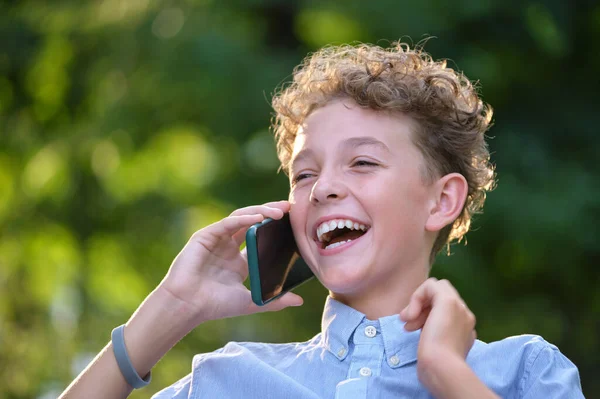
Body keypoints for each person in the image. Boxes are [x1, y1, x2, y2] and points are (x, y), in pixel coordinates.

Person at [59, 41, 584, 399]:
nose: (325, 186)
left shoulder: (525, 374)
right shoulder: (229, 379)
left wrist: (446, 372)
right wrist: (171, 310)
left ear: (442, 201)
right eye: (304, 174)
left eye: (363, 161)